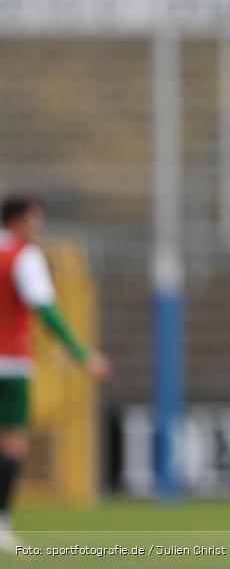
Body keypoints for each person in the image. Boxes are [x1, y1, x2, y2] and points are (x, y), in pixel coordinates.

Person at [0, 196, 111, 552]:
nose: (39, 227)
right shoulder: (23, 257)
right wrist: (82, 354)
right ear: (17, 221)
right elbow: (45, 308)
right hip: (9, 363)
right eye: (34, 220)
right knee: (12, 441)